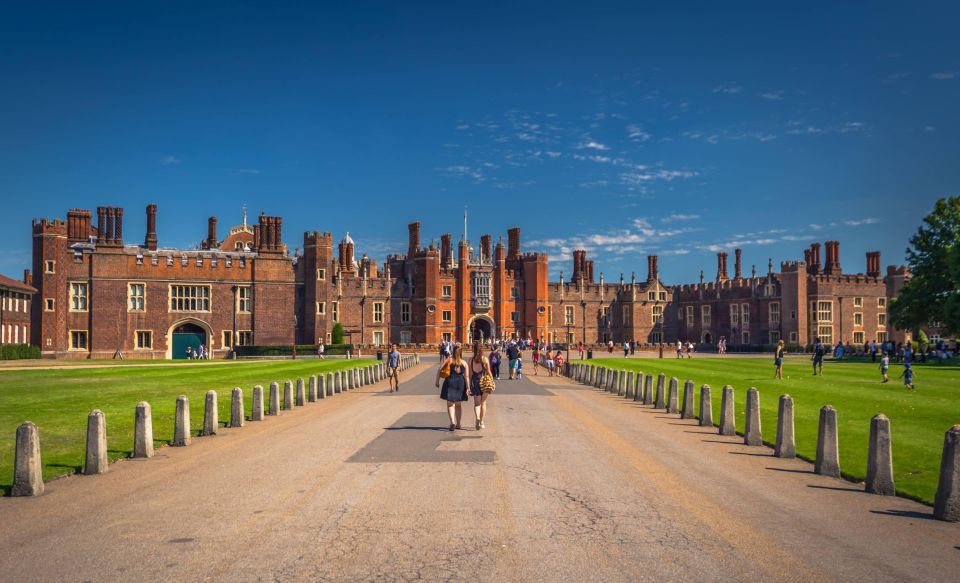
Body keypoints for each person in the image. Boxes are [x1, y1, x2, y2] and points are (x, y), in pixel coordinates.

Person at [436, 344, 470, 431]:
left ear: (453, 351)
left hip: (450, 382)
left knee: (450, 404)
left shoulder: (449, 360)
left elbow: (440, 369)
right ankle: (458, 424)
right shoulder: (464, 363)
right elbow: (466, 376)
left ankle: (452, 422)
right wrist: (468, 387)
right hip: (460, 383)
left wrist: (437, 381)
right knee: (458, 405)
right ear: (461, 352)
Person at [469, 342, 493, 429]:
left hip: (475, 381)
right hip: (484, 382)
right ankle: (482, 422)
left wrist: (468, 385)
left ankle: (477, 418)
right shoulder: (485, 359)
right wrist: (492, 381)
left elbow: (470, 374)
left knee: (477, 403)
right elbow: (489, 372)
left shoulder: (470, 360)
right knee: (483, 402)